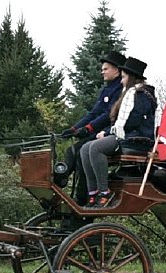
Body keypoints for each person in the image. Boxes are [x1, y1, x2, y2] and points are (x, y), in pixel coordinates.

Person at [79, 57, 156, 207]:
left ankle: (104, 192)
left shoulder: (141, 96)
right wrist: (107, 132)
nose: (121, 81)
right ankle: (93, 192)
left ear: (132, 78)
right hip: (125, 135)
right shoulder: (131, 94)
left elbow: (131, 123)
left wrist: (107, 133)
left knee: (95, 148)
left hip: (137, 139)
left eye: (124, 77)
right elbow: (121, 123)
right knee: (84, 148)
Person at [58, 50, 126, 205]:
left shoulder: (119, 90)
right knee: (73, 151)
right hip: (99, 131)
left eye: (105, 68)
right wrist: (75, 129)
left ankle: (82, 196)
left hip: (109, 132)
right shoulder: (106, 89)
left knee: (81, 152)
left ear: (117, 70)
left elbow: (108, 115)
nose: (102, 71)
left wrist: (89, 128)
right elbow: (94, 112)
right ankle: (62, 179)